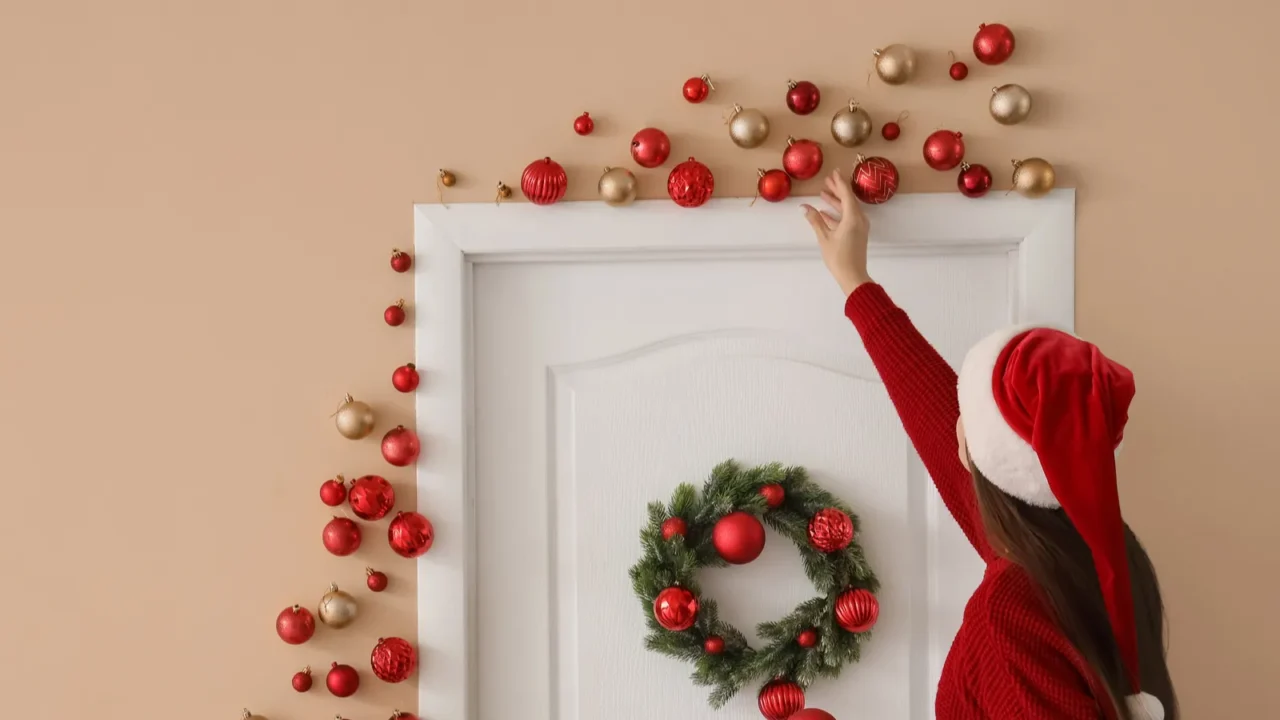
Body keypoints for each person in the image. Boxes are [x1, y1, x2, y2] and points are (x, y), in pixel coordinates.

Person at [802, 170, 1178, 720]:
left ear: (981, 454)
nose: (953, 424)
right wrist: (857, 285)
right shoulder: (1094, 552)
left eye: (968, 417)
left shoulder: (1014, 609)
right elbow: (942, 427)